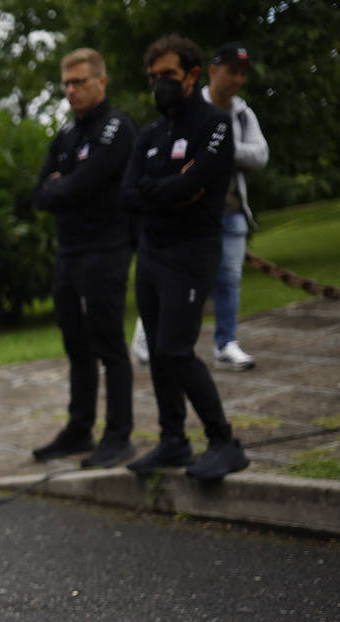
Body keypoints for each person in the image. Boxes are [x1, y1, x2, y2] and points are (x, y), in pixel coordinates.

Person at [120, 34, 249, 481]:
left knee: (176, 350)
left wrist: (165, 190)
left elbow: (193, 185)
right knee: (157, 353)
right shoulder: (151, 133)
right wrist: (171, 190)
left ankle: (224, 441)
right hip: (152, 253)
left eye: (168, 77)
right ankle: (172, 440)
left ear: (193, 75)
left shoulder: (214, 125)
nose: (159, 85)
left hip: (192, 251)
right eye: (153, 78)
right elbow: (129, 194)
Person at [31, 48, 138, 468]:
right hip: (70, 252)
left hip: (107, 249)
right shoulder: (66, 136)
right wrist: (65, 186)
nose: (71, 90)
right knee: (76, 344)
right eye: (66, 83)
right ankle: (80, 428)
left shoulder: (117, 128)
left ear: (101, 81)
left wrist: (66, 186)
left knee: (109, 343)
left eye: (80, 82)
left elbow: (84, 184)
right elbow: (41, 193)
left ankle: (118, 434)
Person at [204, 41, 267, 371]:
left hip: (231, 211)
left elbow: (260, 155)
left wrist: (226, 149)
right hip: (195, 216)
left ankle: (225, 343)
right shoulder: (191, 108)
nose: (238, 80)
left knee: (229, 278)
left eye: (242, 74)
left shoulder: (242, 114)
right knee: (184, 278)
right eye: (232, 72)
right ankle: (154, 334)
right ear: (213, 71)